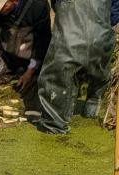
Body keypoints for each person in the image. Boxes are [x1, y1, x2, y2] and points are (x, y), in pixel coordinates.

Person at [37, 0, 115, 134]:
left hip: (70, 36)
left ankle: (54, 127)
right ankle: (92, 111)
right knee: (98, 80)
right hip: (102, 38)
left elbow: (55, 5)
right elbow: (115, 11)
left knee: (57, 78)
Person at [0, 0, 52, 106]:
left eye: (3, 7)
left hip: (31, 57)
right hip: (5, 54)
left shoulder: (37, 5)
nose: (0, 11)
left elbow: (42, 43)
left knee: (31, 90)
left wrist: (30, 72)